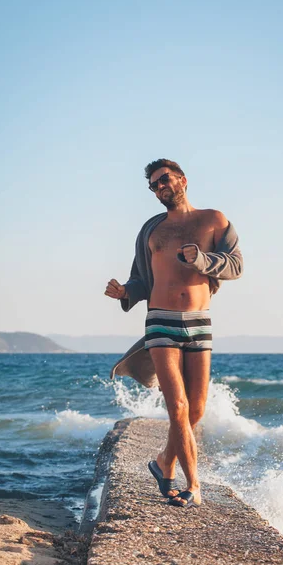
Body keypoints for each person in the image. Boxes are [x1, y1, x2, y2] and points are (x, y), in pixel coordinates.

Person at [105, 158, 243, 508]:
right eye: (153, 185)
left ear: (182, 179)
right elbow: (140, 278)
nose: (160, 187)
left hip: (199, 321)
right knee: (177, 406)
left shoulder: (214, 220)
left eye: (164, 180)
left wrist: (201, 261)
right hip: (161, 322)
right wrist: (125, 291)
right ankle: (193, 486)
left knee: (195, 410)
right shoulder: (152, 230)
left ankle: (163, 461)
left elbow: (236, 265)